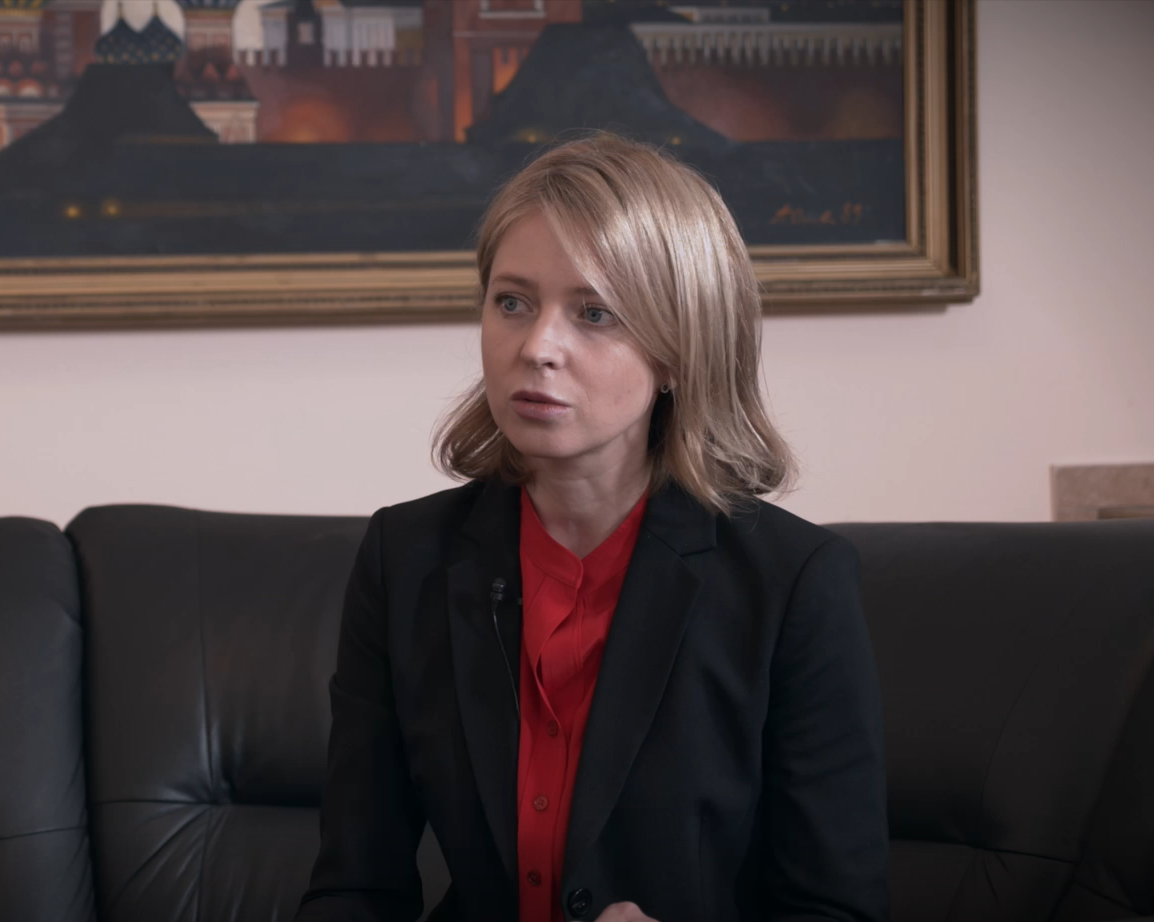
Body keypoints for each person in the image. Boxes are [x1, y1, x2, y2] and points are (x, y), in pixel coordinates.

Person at [295, 133, 888, 922]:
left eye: (594, 313)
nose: (537, 347)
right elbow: (354, 887)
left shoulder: (793, 584)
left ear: (677, 350)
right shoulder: (403, 559)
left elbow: (836, 908)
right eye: (512, 302)